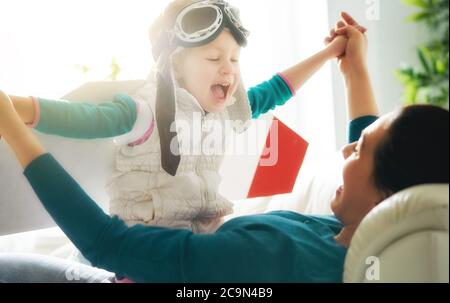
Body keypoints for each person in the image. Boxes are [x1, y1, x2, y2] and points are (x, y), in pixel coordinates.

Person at [0, 13, 447, 283]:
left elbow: (104, 242)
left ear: (390, 200)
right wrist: (354, 71)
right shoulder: (355, 242)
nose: (346, 150)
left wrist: (15, 130)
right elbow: (369, 152)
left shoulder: (270, 260)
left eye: (360, 150)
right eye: (213, 58)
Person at [4, 0, 349, 234]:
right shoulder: (144, 113)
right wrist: (11, 106)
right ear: (176, 64)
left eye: (235, 59)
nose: (228, 69)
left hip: (199, 242)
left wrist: (332, 51)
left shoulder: (227, 110)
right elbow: (80, 118)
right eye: (214, 58)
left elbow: (276, 89)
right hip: (143, 248)